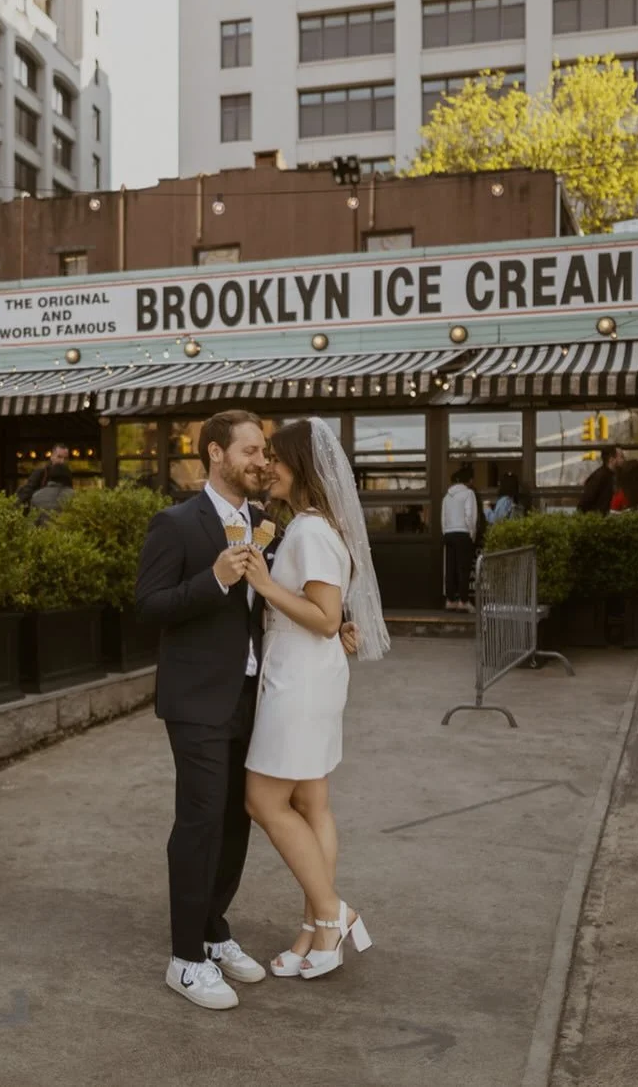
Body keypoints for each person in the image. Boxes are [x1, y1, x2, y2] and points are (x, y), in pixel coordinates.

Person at [134, 410, 358, 1012]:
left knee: (236, 823)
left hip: (255, 698)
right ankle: (184, 959)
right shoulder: (176, 523)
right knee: (201, 820)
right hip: (197, 701)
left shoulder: (269, 524)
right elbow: (149, 605)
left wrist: (342, 626)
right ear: (215, 453)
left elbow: (302, 598)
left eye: (267, 453)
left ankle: (212, 933)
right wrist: (211, 579)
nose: (262, 462)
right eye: (252, 451)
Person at [242, 417, 389, 982]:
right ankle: (315, 930)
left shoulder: (308, 531)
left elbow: (327, 619)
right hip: (306, 673)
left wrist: (265, 585)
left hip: (300, 682)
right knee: (311, 804)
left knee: (263, 801)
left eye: (276, 458)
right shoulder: (313, 525)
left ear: (300, 465)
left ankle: (333, 912)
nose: (267, 467)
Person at [442, 465, 477, 612]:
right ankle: (464, 600)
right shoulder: (468, 494)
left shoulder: (447, 496)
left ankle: (450, 600)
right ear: (468, 481)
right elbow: (470, 515)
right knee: (463, 568)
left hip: (448, 534)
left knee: (450, 567)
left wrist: (445, 532)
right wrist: (472, 533)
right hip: (463, 533)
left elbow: (443, 518)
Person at [16, 443, 70, 508]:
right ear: (52, 457)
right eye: (59, 457)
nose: (62, 461)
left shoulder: (67, 474)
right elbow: (26, 493)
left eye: (65, 458)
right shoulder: (40, 473)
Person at [578, 445, 624, 515]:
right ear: (611, 459)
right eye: (621, 457)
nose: (624, 460)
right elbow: (583, 504)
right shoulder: (599, 477)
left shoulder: (614, 475)